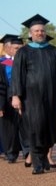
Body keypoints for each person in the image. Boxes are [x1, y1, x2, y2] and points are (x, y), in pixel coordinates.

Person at [10, 15, 56, 175]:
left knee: (50, 129)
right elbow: (17, 75)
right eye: (36, 30)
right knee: (35, 128)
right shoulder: (23, 52)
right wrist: (16, 96)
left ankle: (43, 158)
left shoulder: (54, 51)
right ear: (30, 33)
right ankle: (37, 164)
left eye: (42, 30)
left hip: (52, 97)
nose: (40, 33)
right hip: (31, 98)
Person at [0, 34, 25, 163]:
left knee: (25, 126)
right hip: (7, 99)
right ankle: (11, 152)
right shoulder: (2, 63)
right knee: (8, 128)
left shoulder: (25, 61)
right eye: (13, 47)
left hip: (24, 97)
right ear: (7, 48)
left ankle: (27, 152)